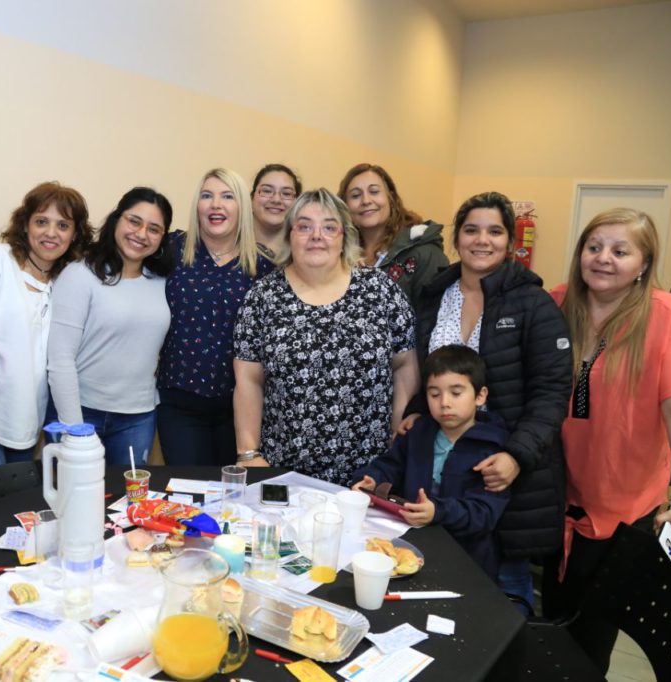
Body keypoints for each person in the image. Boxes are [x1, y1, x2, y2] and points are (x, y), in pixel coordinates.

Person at [545, 208, 671, 673]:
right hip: (554, 497)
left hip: (622, 506)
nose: (603, 259)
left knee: (591, 640)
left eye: (621, 251)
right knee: (550, 623)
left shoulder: (665, 313)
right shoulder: (557, 303)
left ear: (643, 263)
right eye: (594, 247)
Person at [410, 191, 571, 612]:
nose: (482, 240)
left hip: (505, 474)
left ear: (510, 240)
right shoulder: (433, 297)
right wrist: (412, 414)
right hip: (442, 471)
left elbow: (552, 392)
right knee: (436, 591)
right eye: (471, 230)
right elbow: (425, 373)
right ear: (456, 238)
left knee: (501, 599)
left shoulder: (533, 304)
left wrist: (516, 456)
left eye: (495, 231)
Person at [233, 188, 418, 486]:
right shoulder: (263, 297)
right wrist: (248, 454)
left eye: (329, 227)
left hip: (368, 474)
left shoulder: (380, 290)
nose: (316, 235)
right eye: (304, 226)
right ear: (289, 235)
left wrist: (397, 449)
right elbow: (248, 381)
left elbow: (405, 366)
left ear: (345, 236)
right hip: (283, 470)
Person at [351, 345, 511, 579]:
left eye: (456, 393)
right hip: (410, 546)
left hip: (466, 561)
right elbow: (391, 464)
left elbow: (484, 513)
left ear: (480, 396)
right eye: (434, 394)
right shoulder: (419, 432)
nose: (444, 402)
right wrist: (371, 479)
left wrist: (438, 512)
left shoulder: (494, 449)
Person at [0, 182, 91, 469]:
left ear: (74, 235)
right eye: (41, 221)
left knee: (16, 510)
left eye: (63, 225)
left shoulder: (68, 283)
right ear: (25, 226)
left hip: (26, 427)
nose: (51, 233)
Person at [46, 187, 173, 465]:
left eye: (154, 229)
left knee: (127, 504)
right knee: (74, 502)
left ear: (163, 238)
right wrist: (75, 430)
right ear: (116, 220)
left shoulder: (162, 282)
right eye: (134, 221)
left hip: (138, 416)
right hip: (81, 411)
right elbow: (59, 359)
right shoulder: (80, 275)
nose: (141, 234)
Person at [158, 168, 274, 466]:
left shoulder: (263, 266)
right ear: (197, 205)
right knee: (188, 494)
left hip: (238, 408)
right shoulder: (172, 249)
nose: (215, 204)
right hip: (180, 401)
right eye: (207, 196)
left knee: (233, 500)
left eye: (227, 196)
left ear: (242, 208)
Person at [338, 163, 449, 306]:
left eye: (374, 192)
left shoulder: (424, 252)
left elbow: (432, 319)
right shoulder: (339, 253)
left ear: (390, 197)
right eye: (355, 195)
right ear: (345, 205)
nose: (366, 201)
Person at [250, 163, 301, 259]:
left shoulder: (306, 251)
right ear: (252, 198)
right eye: (267, 191)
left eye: (286, 193)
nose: (276, 200)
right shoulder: (227, 245)